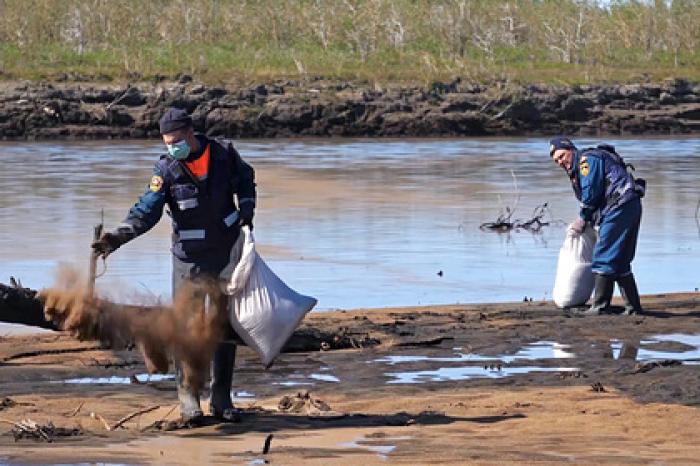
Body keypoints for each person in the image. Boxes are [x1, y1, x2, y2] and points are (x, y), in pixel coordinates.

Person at [92, 107, 256, 421]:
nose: (172, 147)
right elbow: (146, 212)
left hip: (227, 254)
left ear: (190, 133)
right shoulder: (166, 171)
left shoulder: (224, 155)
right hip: (189, 261)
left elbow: (247, 178)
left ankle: (222, 399)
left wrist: (247, 207)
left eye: (176, 140)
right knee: (188, 328)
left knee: (223, 326)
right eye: (167, 142)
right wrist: (115, 238)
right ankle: (189, 400)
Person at [549, 136, 645, 316]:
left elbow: (592, 192)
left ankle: (600, 306)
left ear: (571, 149)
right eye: (556, 161)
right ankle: (633, 308)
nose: (560, 162)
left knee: (603, 256)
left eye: (562, 156)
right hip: (630, 205)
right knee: (621, 260)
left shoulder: (586, 161)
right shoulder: (586, 162)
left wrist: (582, 219)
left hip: (618, 207)